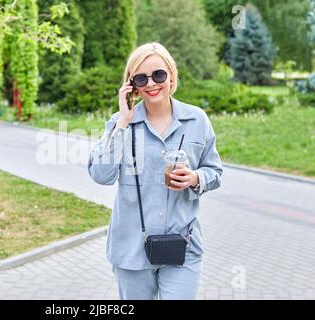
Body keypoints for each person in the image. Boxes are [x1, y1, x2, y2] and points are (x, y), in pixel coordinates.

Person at [88, 42, 223, 300]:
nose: (151, 83)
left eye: (158, 74)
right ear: (132, 85)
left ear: (171, 75)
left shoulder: (197, 120)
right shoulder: (119, 123)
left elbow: (214, 171)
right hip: (131, 249)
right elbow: (101, 175)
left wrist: (196, 178)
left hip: (183, 246)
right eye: (141, 78)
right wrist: (123, 123)